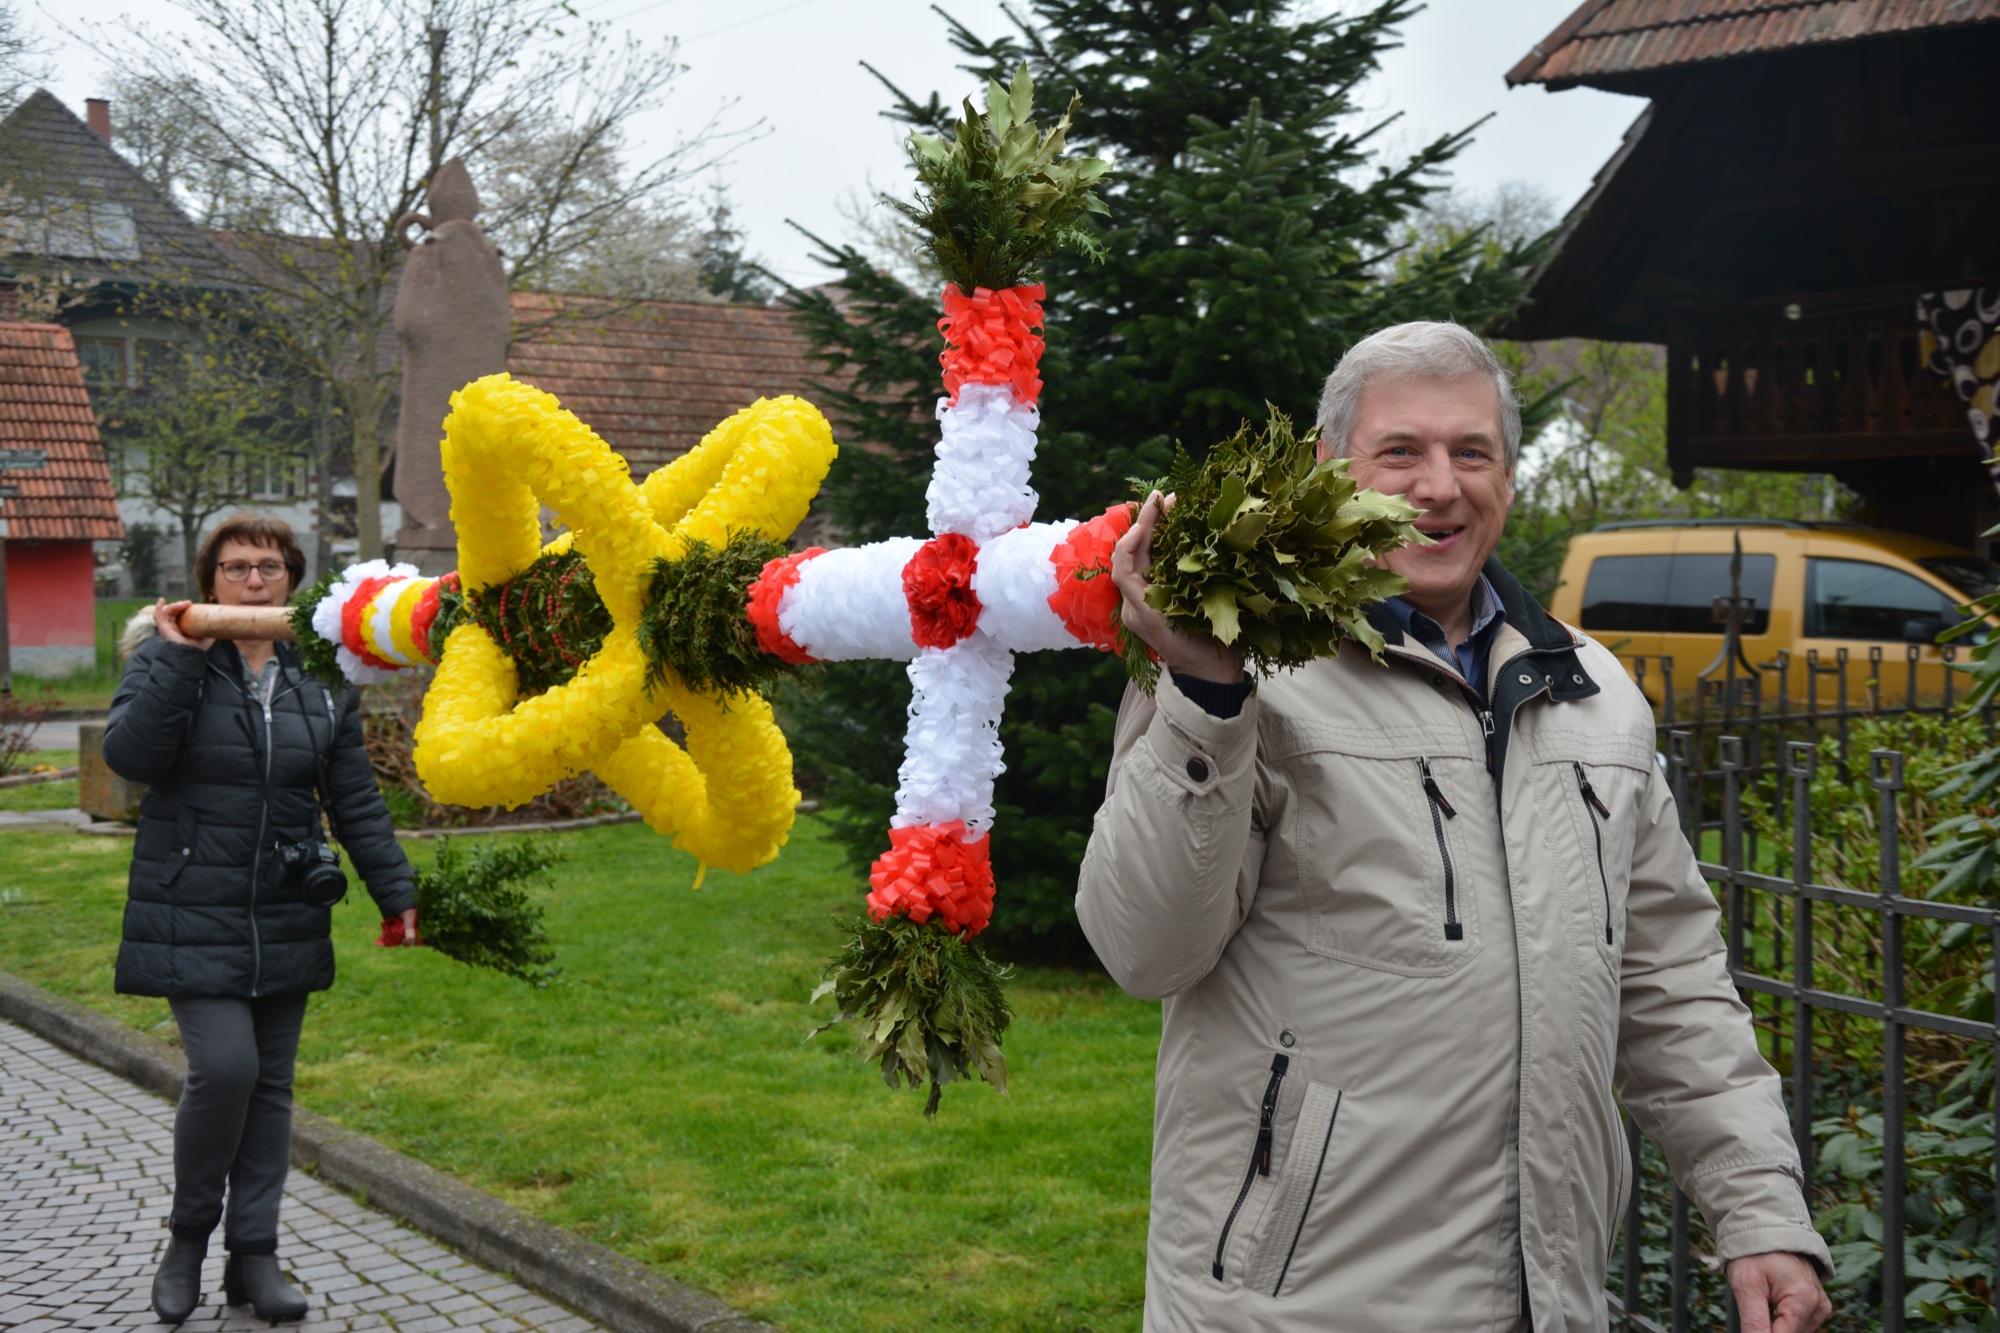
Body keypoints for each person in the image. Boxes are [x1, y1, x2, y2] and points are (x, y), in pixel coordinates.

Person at [1077, 322, 1834, 1333]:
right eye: (1400, 450)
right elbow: (1144, 948)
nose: (1439, 486)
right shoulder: (1237, 667)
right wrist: (1205, 698)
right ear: (1327, 469)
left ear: (1507, 477)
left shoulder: (1596, 696)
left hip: (1547, 1304)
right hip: (1293, 1310)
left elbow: (1670, 982)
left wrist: (1759, 1211)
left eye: (1471, 452)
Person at [103, 515, 420, 1324]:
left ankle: (255, 1254)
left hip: (285, 905)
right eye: (237, 567)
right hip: (191, 904)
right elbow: (131, 757)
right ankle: (187, 1240)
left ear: (292, 580)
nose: (253, 581)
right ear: (209, 580)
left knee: (271, 1086)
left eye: (269, 567)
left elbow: (353, 796)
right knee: (225, 1070)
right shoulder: (164, 658)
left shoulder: (321, 672)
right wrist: (183, 657)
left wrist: (396, 892)